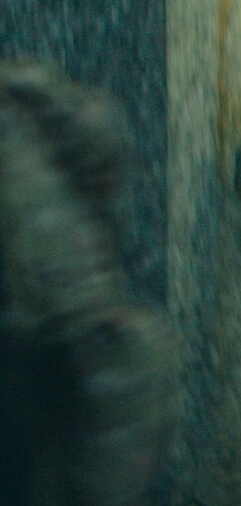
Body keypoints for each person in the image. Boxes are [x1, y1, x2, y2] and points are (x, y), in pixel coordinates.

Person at [0, 60, 176, 506]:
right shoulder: (20, 92)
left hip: (58, 325)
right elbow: (101, 134)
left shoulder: (19, 93)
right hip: (59, 322)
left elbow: (99, 134)